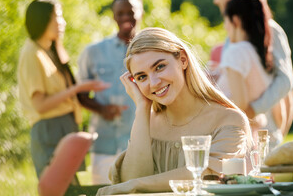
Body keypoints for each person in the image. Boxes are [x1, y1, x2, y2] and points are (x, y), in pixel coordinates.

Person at [96, 27, 253, 195]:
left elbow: (206, 175)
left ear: (183, 60)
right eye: (142, 77)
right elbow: (130, 183)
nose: (154, 82)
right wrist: (142, 108)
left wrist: (137, 184)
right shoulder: (146, 124)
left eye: (159, 67)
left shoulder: (228, 120)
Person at [18, 0, 109, 178]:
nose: (62, 22)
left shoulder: (50, 50)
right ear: (41, 20)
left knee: (72, 188)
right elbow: (40, 105)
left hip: (65, 128)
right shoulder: (31, 53)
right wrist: (76, 89)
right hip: (50, 130)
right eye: (57, 17)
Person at [211, 0, 293, 140]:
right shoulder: (234, 36)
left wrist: (252, 111)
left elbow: (285, 81)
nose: (215, 0)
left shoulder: (269, 30)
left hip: (263, 132)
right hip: (244, 131)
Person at [77, 0, 144, 184]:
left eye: (130, 12)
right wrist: (102, 109)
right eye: (120, 13)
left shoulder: (153, 51)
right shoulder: (93, 52)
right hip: (104, 143)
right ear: (113, 16)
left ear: (141, 12)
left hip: (141, 144)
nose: (125, 17)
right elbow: (80, 94)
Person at [217, 0, 285, 148]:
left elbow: (240, 105)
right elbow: (278, 112)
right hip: (253, 136)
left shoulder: (235, 52)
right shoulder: (261, 54)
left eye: (225, 21)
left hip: (231, 137)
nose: (225, 26)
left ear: (235, 20)